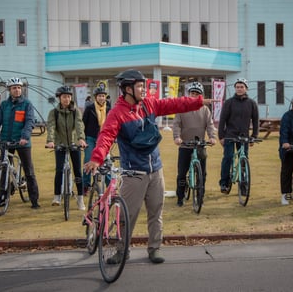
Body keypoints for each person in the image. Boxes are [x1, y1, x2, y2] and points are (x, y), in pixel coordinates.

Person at [84, 69, 215, 265]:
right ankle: (122, 251)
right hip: (134, 173)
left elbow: (173, 103)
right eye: (139, 86)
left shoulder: (148, 104)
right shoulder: (117, 113)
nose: (143, 90)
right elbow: (105, 137)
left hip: (156, 170)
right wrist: (96, 158)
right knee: (127, 215)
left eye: (143, 86)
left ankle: (154, 248)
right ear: (128, 89)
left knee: (156, 212)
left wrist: (197, 102)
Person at [0, 77, 41, 209]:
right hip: (6, 140)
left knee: (29, 171)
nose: (17, 90)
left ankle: (34, 200)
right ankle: (2, 197)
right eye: (14, 88)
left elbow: (29, 122)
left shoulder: (27, 104)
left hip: (22, 142)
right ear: (9, 90)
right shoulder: (4, 105)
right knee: (4, 170)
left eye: (18, 87)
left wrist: (24, 137)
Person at [172, 82, 217, 206]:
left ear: (201, 96)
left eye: (197, 94)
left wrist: (212, 137)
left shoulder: (205, 110)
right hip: (185, 145)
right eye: (192, 93)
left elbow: (210, 125)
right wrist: (177, 137)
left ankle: (200, 197)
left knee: (203, 173)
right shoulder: (181, 108)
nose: (194, 95)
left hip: (199, 145)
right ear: (189, 94)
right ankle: (180, 197)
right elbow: (176, 124)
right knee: (182, 173)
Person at [46, 86, 87, 210]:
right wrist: (50, 141)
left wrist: (81, 138)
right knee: (59, 170)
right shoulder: (54, 112)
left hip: (74, 144)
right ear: (59, 98)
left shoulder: (76, 111)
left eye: (69, 96)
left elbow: (79, 125)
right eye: (64, 96)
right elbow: (51, 126)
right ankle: (57, 196)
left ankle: (80, 199)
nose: (66, 99)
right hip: (60, 144)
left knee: (78, 171)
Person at [218, 78, 259, 194]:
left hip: (244, 137)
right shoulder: (229, 103)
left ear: (246, 88)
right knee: (228, 158)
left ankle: (243, 184)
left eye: (242, 87)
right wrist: (221, 136)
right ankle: (224, 183)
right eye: (237, 87)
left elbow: (256, 121)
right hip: (230, 135)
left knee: (243, 160)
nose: (239, 89)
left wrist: (254, 136)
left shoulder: (251, 103)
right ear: (235, 88)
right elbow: (222, 120)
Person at [82, 86, 111, 194]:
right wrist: (82, 138)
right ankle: (86, 185)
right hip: (90, 137)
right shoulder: (89, 108)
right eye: (99, 96)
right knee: (88, 160)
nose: (101, 98)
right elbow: (83, 123)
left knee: (106, 161)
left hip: (103, 139)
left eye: (103, 96)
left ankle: (109, 186)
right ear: (95, 97)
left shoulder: (108, 108)